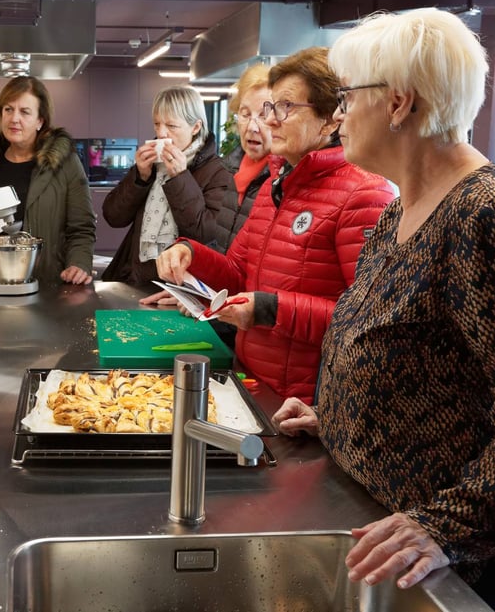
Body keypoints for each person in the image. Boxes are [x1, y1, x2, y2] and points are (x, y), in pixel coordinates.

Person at [273, 8, 495, 612]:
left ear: (398, 103)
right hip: (391, 530)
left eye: (347, 97)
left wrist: (450, 525)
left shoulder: (491, 217)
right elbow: (418, 363)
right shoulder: (401, 211)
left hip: (473, 567)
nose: (338, 116)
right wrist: (339, 417)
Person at [153, 46, 394, 402]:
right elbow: (238, 274)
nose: (269, 121)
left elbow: (368, 321)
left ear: (330, 119)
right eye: (271, 107)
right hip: (254, 383)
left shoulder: (365, 193)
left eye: (287, 107)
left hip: (305, 403)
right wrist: (191, 253)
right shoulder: (275, 186)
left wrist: (269, 309)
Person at [0, 76, 95, 285]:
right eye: (8, 109)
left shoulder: (66, 163)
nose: (14, 118)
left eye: (25, 112)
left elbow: (82, 228)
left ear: (40, 121)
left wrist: (78, 264)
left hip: (47, 283)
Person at [100, 85, 232, 284]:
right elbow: (113, 216)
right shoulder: (151, 164)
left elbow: (207, 235)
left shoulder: (218, 171)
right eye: (157, 124)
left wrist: (180, 177)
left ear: (196, 127)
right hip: (137, 276)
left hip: (182, 283)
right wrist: (139, 177)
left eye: (171, 126)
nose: (161, 133)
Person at [214, 63, 273, 252]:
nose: (252, 127)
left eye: (263, 116)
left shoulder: (282, 182)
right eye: (245, 114)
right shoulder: (230, 169)